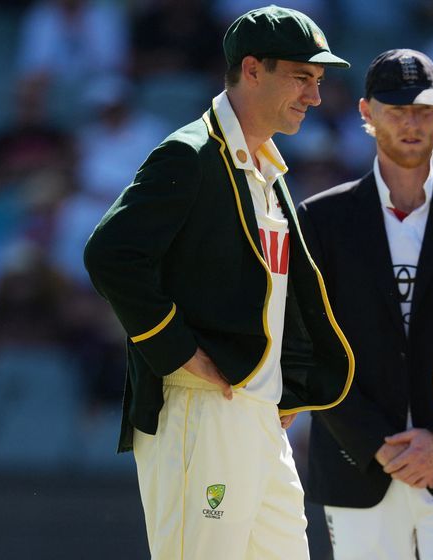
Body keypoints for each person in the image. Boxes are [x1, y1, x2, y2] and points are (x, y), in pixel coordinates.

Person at [83, 7, 354, 559]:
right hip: (201, 411)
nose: (316, 96)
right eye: (303, 78)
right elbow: (110, 254)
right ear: (252, 69)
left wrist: (289, 381)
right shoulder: (189, 154)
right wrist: (176, 351)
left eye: (319, 81)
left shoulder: (266, 166)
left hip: (259, 417)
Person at [297, 49, 433, 560]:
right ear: (366, 114)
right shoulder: (321, 219)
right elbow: (306, 347)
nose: (411, 123)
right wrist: (376, 440)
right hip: (357, 466)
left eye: (423, 109)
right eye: (396, 111)